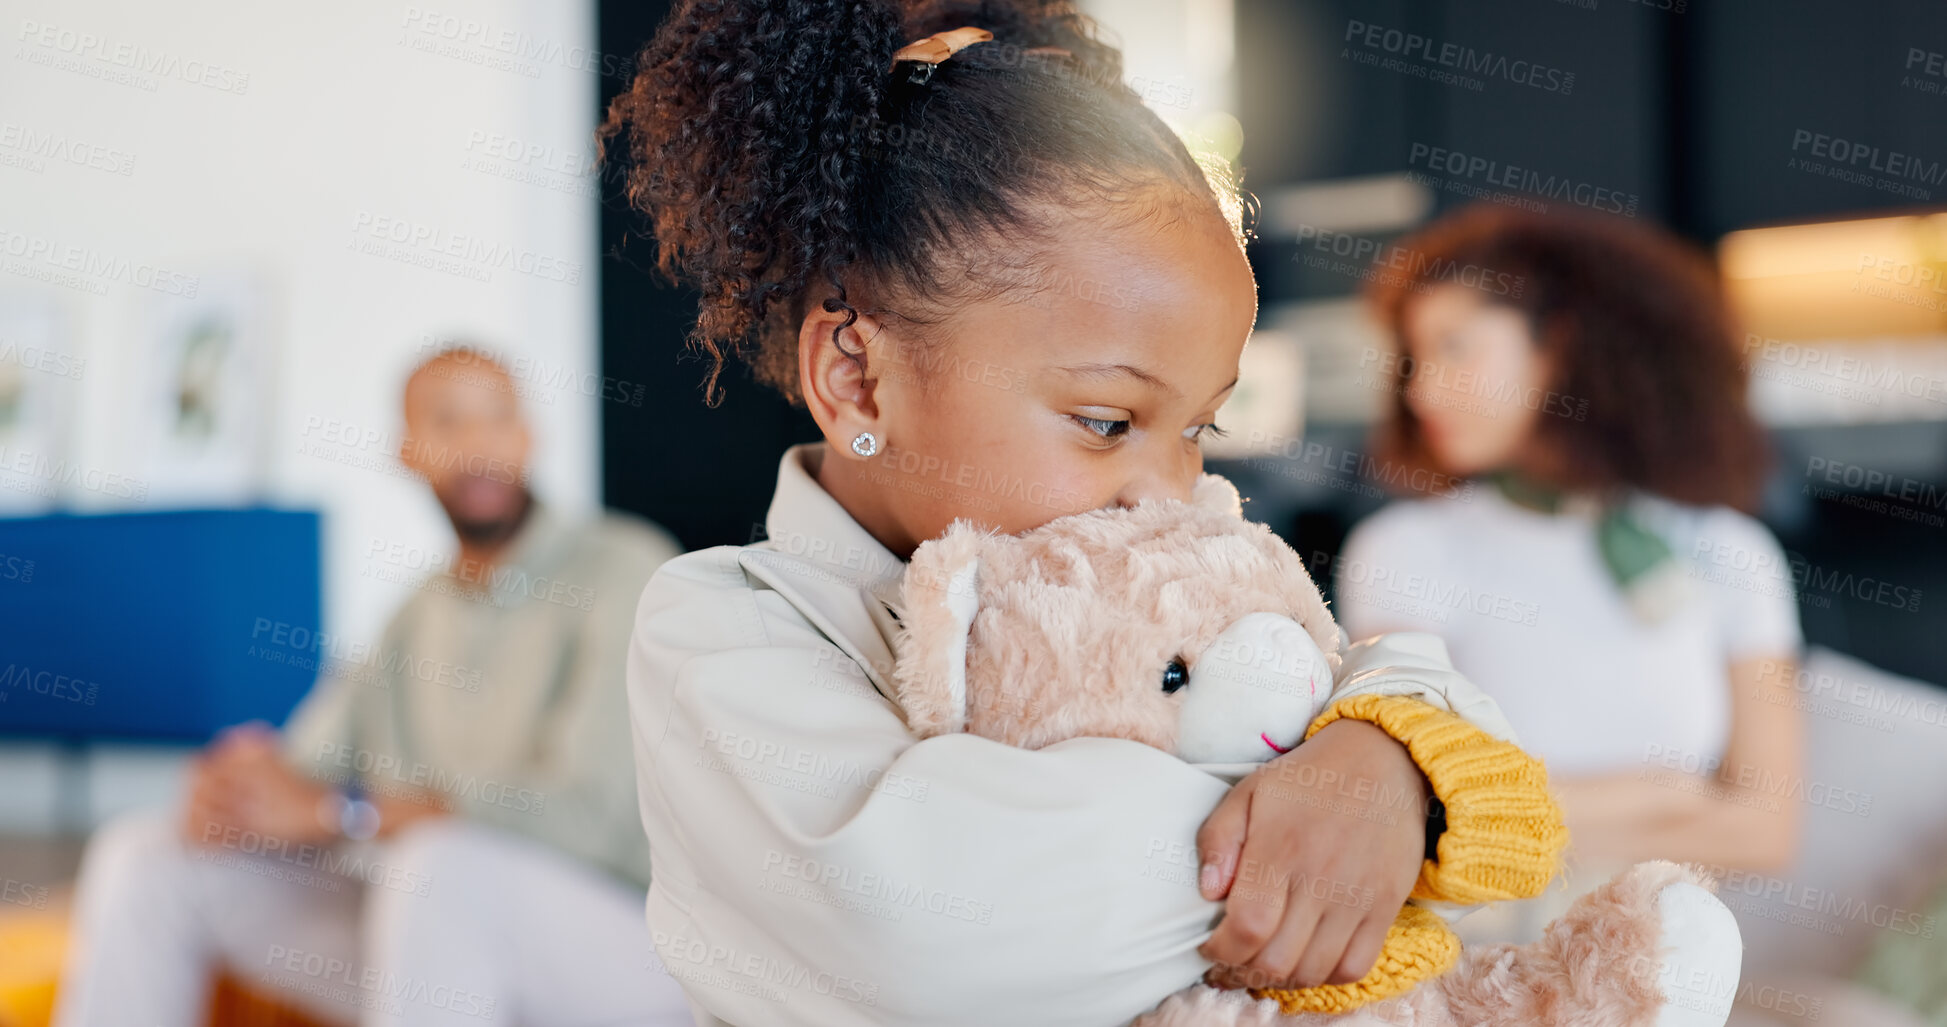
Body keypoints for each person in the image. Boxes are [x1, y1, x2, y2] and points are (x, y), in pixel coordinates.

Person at [599, 4, 1736, 1024]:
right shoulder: (721, 629)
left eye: (1201, 427)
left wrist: (1384, 761)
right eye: (1105, 420)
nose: (1168, 488)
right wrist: (1333, 827)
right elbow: (935, 927)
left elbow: (1428, 702)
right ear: (857, 379)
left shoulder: (1180, 555)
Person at [53, 347, 693, 1027]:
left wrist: (350, 811)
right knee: (144, 856)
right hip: (437, 944)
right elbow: (306, 770)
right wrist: (238, 792)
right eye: (448, 421)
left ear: (531, 436)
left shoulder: (625, 566)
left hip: (625, 950)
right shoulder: (413, 613)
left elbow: (586, 816)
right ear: (408, 451)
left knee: (435, 866)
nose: (478, 444)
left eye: (498, 418)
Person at [1334, 205, 1805, 916]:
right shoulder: (1404, 548)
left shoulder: (1730, 554)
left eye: (1454, 347)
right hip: (1473, 954)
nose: (1420, 389)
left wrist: (1517, 810)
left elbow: (1766, 830)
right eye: (1414, 357)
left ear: (1564, 345)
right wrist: (1659, 797)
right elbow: (1405, 808)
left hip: (1665, 957)